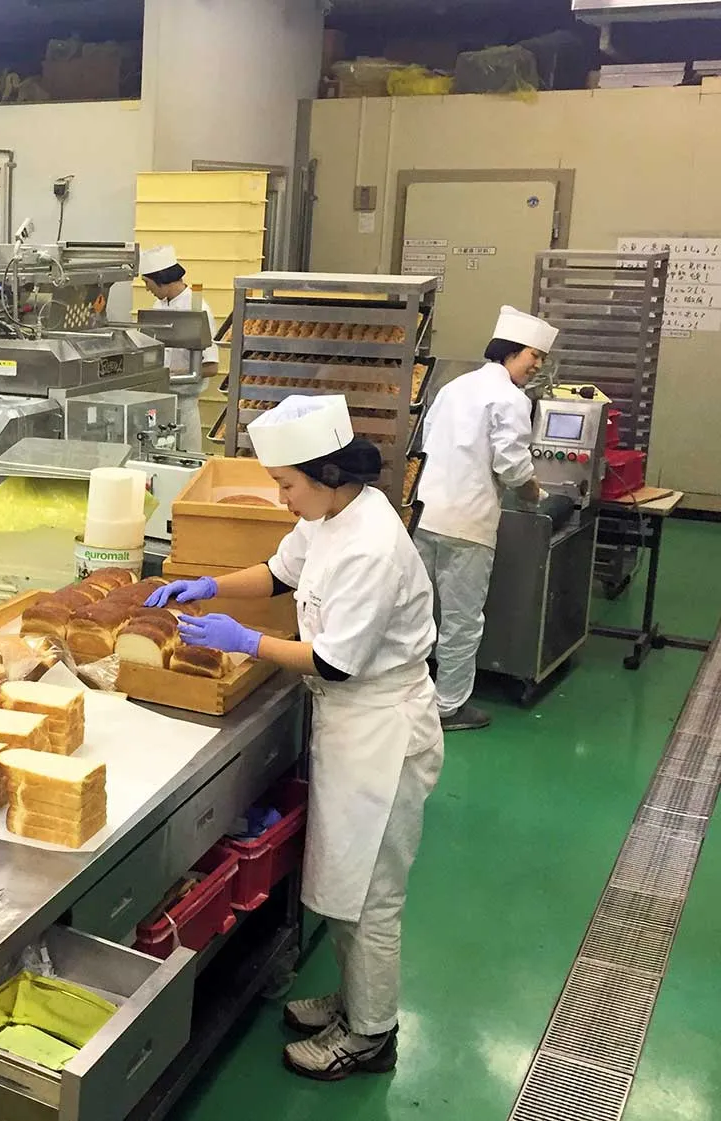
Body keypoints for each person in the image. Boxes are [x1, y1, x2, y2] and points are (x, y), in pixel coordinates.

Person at [147, 395, 443, 1082]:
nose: (281, 498)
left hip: (382, 729)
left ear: (329, 472)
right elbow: (280, 572)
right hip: (349, 724)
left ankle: (372, 1035)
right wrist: (208, 585)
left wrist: (247, 639)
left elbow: (337, 658)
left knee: (370, 895)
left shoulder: (371, 542)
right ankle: (357, 1002)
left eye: (286, 483)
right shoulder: (330, 513)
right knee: (347, 883)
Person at [414, 306, 556, 732]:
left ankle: (405, 695)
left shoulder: (455, 387)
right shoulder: (510, 399)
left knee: (416, 611)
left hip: (422, 515)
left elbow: (426, 441)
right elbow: (512, 466)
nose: (537, 365)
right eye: (535, 355)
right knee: (461, 620)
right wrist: (534, 494)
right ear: (511, 350)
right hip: (468, 525)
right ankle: (448, 707)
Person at [139, 245, 220, 454]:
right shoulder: (159, 307)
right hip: (158, 402)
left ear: (162, 279)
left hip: (184, 404)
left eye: (147, 283)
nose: (147, 289)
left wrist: (177, 374)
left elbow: (211, 367)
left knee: (185, 459)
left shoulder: (197, 309)